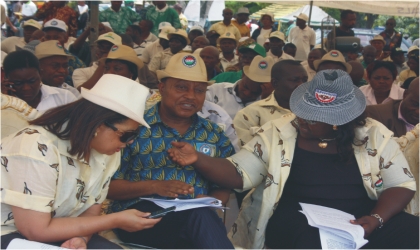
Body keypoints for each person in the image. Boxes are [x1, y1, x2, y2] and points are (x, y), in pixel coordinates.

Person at [167, 69, 419, 249]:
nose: (300, 120)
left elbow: (401, 184)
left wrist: (375, 220)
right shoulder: (280, 130)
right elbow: (239, 172)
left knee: (412, 231)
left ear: (337, 123)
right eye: (301, 113)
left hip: (362, 218)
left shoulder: (374, 135)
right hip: (298, 217)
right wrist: (197, 158)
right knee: (312, 242)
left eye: (311, 118)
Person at [1, 74, 161, 249]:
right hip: (11, 234)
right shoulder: (36, 146)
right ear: (98, 125)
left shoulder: (107, 151)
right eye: (127, 135)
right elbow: (35, 229)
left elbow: (89, 213)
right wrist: (114, 220)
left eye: (134, 136)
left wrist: (82, 239)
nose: (129, 143)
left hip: (60, 229)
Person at [107, 53, 235, 249]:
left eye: (199, 90)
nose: (191, 96)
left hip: (196, 219)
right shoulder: (135, 127)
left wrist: (214, 199)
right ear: (162, 87)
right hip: (140, 218)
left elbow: (229, 179)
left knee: (201, 215)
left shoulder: (214, 134)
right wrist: (155, 187)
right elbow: (108, 187)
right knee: (200, 217)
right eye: (181, 87)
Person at [234, 59, 307, 147]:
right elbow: (247, 154)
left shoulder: (317, 111)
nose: (301, 85)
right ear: (275, 83)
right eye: (295, 80)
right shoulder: (249, 115)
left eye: (304, 80)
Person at [2, 50, 77, 111]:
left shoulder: (65, 98)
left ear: (40, 74)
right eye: (18, 83)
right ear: (6, 79)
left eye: (32, 81)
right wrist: (4, 100)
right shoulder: (3, 101)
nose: (26, 88)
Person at [206, 55, 273, 119]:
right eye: (245, 87)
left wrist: (265, 101)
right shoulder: (215, 91)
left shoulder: (267, 102)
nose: (247, 93)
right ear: (243, 75)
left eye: (254, 93)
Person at [42, 18, 86, 86]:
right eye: (47, 37)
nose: (52, 41)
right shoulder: (35, 59)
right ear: (43, 39)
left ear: (65, 39)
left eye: (56, 37)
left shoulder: (77, 64)